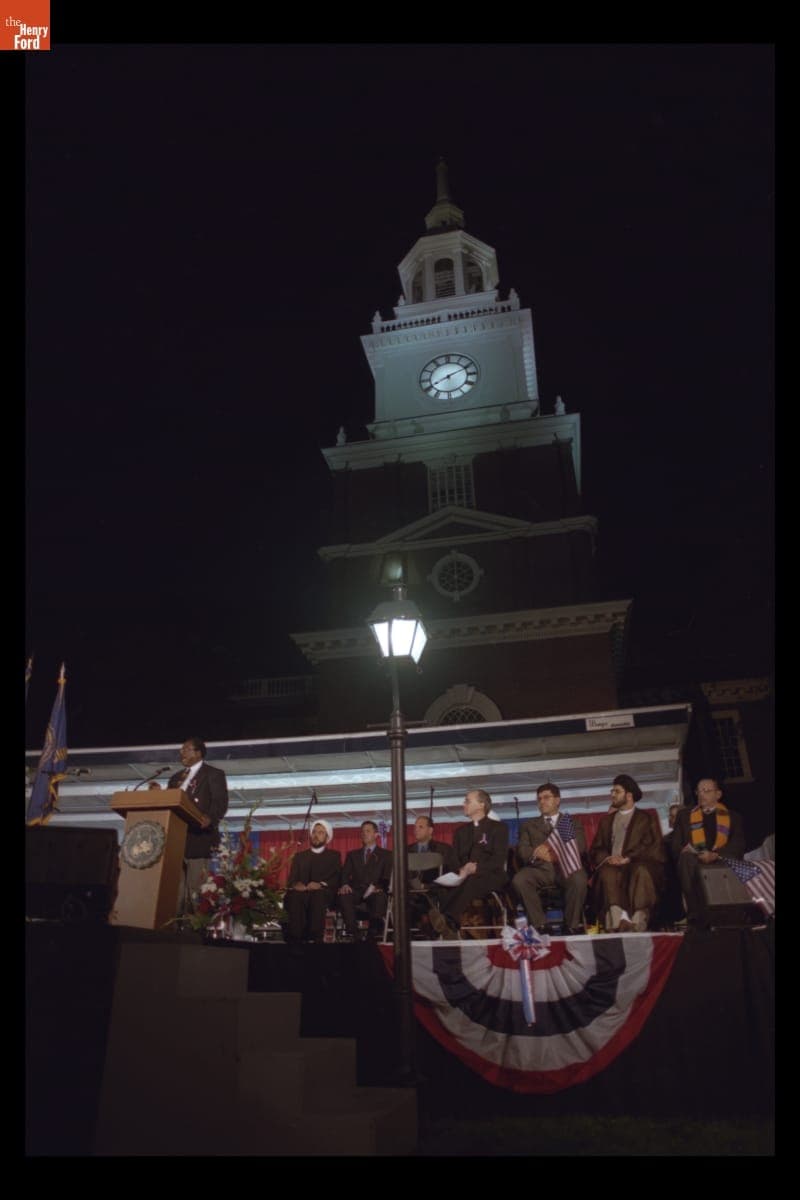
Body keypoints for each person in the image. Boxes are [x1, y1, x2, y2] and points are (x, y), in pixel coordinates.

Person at [156, 737, 229, 917]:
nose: (182, 753)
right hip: (176, 840)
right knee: (175, 892)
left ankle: (196, 932)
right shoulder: (175, 778)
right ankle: (173, 930)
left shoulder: (213, 774)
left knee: (196, 891)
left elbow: (220, 802)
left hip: (199, 838)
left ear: (198, 753)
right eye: (181, 749)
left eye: (186, 749)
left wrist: (210, 818)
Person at [428, 789, 508, 939]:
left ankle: (447, 920)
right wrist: (461, 870)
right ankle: (444, 924)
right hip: (464, 876)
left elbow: (498, 859)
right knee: (438, 886)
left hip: (490, 875)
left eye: (467, 801)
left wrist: (476, 868)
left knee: (472, 880)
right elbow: (454, 859)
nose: (463, 804)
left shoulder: (499, 828)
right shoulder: (461, 832)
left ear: (481, 804)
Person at [589, 774, 665, 932]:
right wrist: (608, 858)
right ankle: (617, 924)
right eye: (612, 791)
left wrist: (628, 858)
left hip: (637, 863)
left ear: (629, 795)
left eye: (617, 791)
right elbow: (596, 849)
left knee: (641, 872)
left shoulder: (646, 819)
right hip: (612, 866)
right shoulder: (606, 821)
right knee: (606, 873)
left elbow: (653, 847)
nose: (612, 795)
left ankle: (638, 923)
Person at [512, 782, 587, 934]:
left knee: (579, 879)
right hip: (539, 870)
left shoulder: (569, 823)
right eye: (539, 799)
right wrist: (535, 852)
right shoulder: (528, 825)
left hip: (566, 868)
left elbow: (580, 847)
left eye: (546, 797)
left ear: (557, 800)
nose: (542, 802)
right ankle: (539, 926)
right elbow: (522, 850)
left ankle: (571, 926)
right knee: (519, 880)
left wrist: (553, 852)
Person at [671, 778, 746, 924]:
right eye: (698, 791)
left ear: (718, 794)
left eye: (707, 791)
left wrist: (715, 855)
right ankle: (695, 913)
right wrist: (687, 850)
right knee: (686, 859)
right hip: (694, 860)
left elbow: (738, 845)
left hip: (720, 859)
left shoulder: (733, 817)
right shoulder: (684, 816)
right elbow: (676, 845)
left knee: (730, 863)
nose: (701, 794)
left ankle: (727, 914)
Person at [283, 820, 341, 944]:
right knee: (294, 896)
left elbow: (336, 878)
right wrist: (296, 884)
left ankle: (316, 938)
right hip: (301, 892)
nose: (315, 835)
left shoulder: (334, 856)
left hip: (323, 892)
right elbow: (292, 879)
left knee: (318, 895)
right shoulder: (300, 856)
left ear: (327, 837)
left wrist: (320, 884)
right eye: (314, 832)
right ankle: (296, 939)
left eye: (320, 832)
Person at [337, 820, 391, 939]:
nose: (364, 834)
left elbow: (387, 876)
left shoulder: (386, 855)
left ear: (376, 834)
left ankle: (374, 932)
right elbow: (344, 874)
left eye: (368, 831)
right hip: (357, 891)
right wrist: (345, 884)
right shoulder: (352, 855)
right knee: (344, 895)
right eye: (362, 831)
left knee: (379, 897)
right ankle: (353, 932)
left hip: (375, 891)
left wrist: (379, 886)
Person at [408, 815, 457, 934]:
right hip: (410, 891)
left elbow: (451, 873)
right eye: (415, 827)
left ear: (430, 830)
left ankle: (433, 928)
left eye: (420, 827)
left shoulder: (444, 850)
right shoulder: (406, 851)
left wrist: (428, 886)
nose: (416, 830)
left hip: (435, 890)